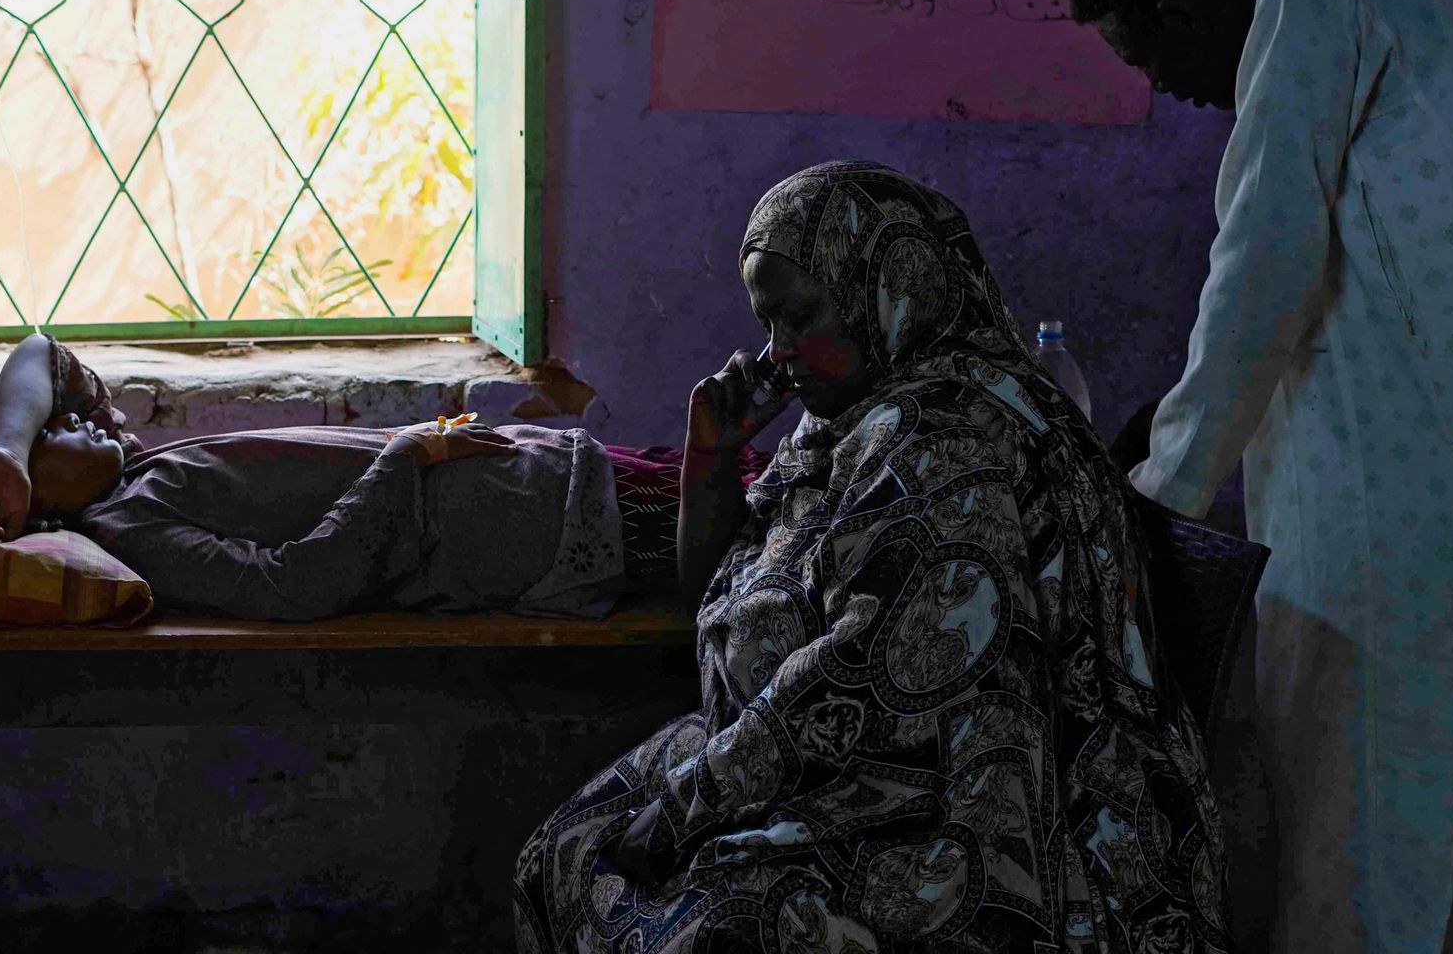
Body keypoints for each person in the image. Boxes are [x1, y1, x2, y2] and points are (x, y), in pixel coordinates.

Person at [513, 161, 1232, 952]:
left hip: (989, 812)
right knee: (566, 849)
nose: (777, 351)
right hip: (855, 771)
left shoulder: (949, 443)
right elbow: (718, 606)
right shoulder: (849, 424)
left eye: (799, 316)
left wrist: (690, 803)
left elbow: (862, 688)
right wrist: (711, 459)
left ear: (889, 286)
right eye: (766, 324)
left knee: (707, 920)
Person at [1071, 0, 1453, 951]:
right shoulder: (1399, 14)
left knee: (1358, 833)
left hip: (1398, 525)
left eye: (1143, 58)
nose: (1162, 90)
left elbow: (1261, 264)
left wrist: (1154, 503)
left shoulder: (1308, 0)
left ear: (1180, 11)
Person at [0, 333, 646, 620]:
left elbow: (41, 353)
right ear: (34, 512)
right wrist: (406, 458)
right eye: (49, 430)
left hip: (535, 479)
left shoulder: (126, 471)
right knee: (738, 532)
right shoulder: (131, 527)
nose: (66, 418)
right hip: (521, 528)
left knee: (745, 503)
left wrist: (8, 454)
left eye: (37, 425)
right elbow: (291, 586)